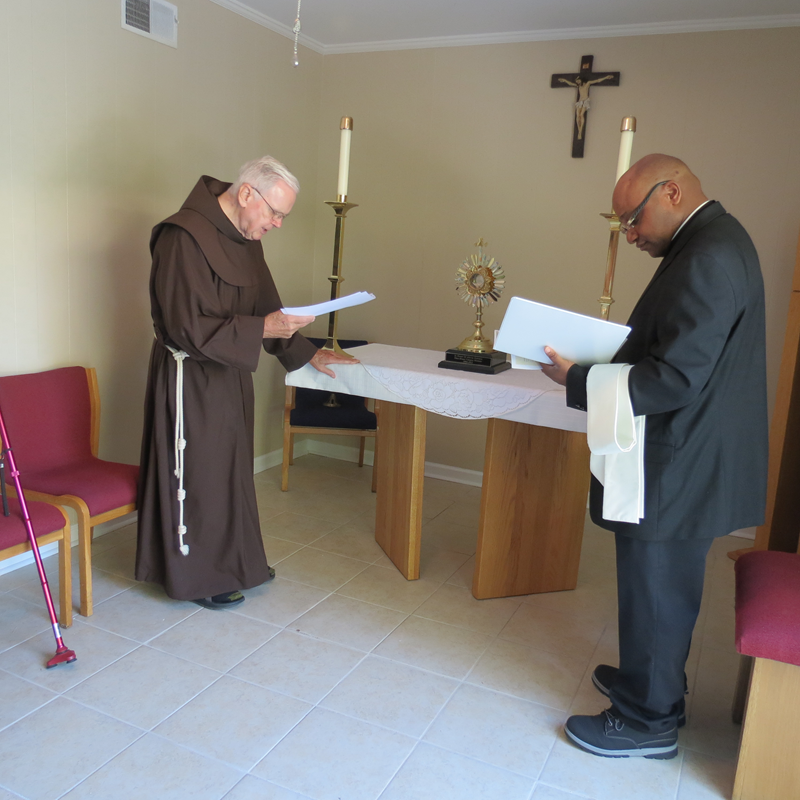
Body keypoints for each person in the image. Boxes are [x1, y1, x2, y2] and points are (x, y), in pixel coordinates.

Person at [541, 154, 768, 759]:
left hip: (681, 457)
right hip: (690, 447)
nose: (630, 234)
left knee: (659, 589)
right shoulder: (711, 240)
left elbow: (676, 377)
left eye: (632, 219)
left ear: (671, 192)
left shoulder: (708, 256)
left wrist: (580, 377)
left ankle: (647, 720)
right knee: (658, 587)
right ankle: (652, 684)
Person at [136, 156, 355, 610]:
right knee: (199, 474)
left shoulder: (247, 239)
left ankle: (238, 562)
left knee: (231, 472)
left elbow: (267, 308)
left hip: (230, 374)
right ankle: (198, 575)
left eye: (282, 217)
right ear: (247, 193)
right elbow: (183, 326)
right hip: (189, 377)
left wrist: (308, 352)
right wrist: (261, 329)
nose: (277, 224)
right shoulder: (182, 236)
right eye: (275, 213)